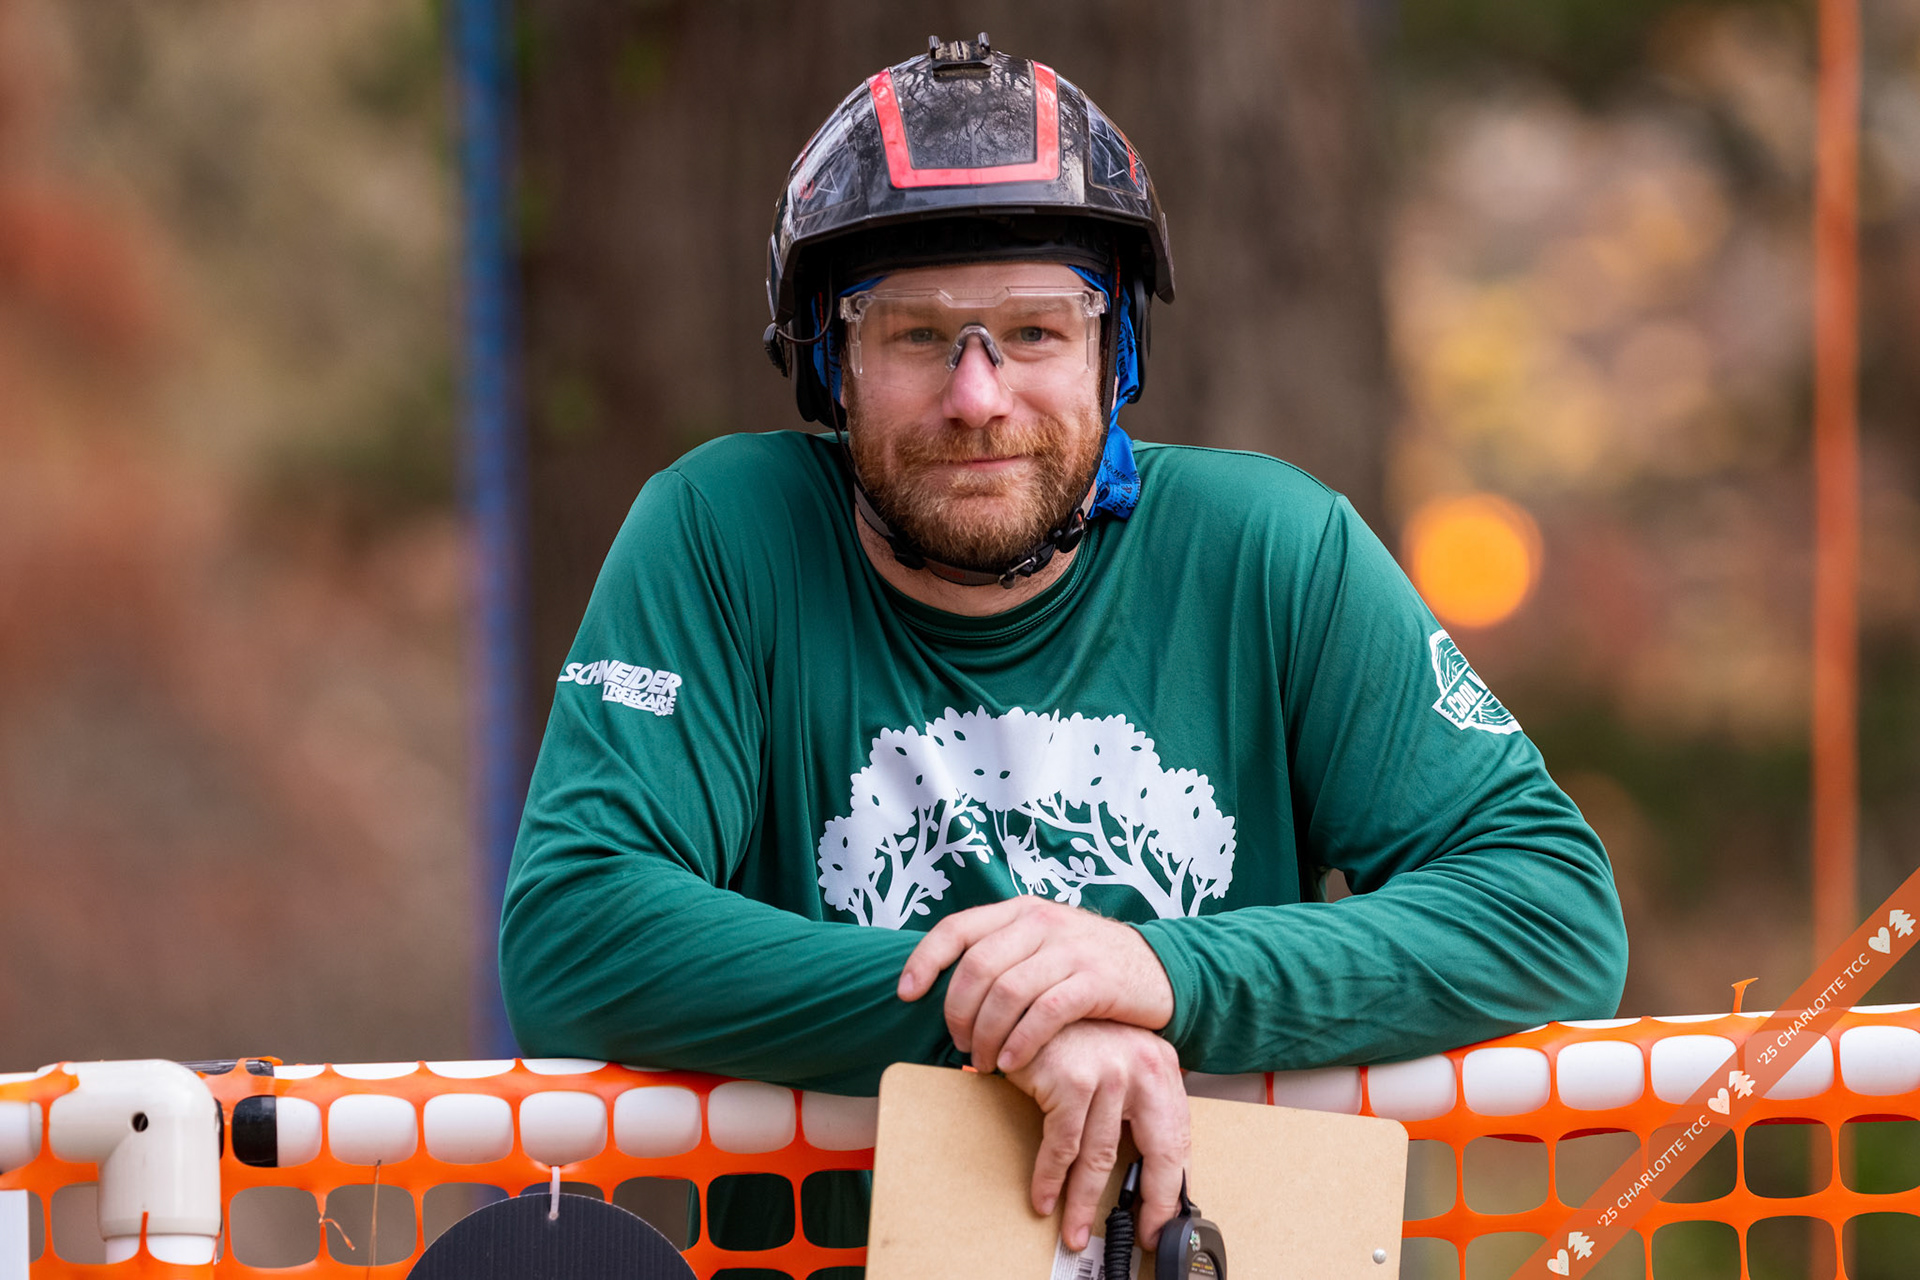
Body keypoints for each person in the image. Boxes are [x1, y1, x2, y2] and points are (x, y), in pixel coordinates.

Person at [501, 34, 1628, 1255]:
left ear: (1116, 351)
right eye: (918, 336)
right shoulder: (723, 535)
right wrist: (1005, 1021)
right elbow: (575, 927)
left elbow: (1551, 912)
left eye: (1035, 331)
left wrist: (1166, 974)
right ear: (832, 364)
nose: (978, 396)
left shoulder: (1273, 549)